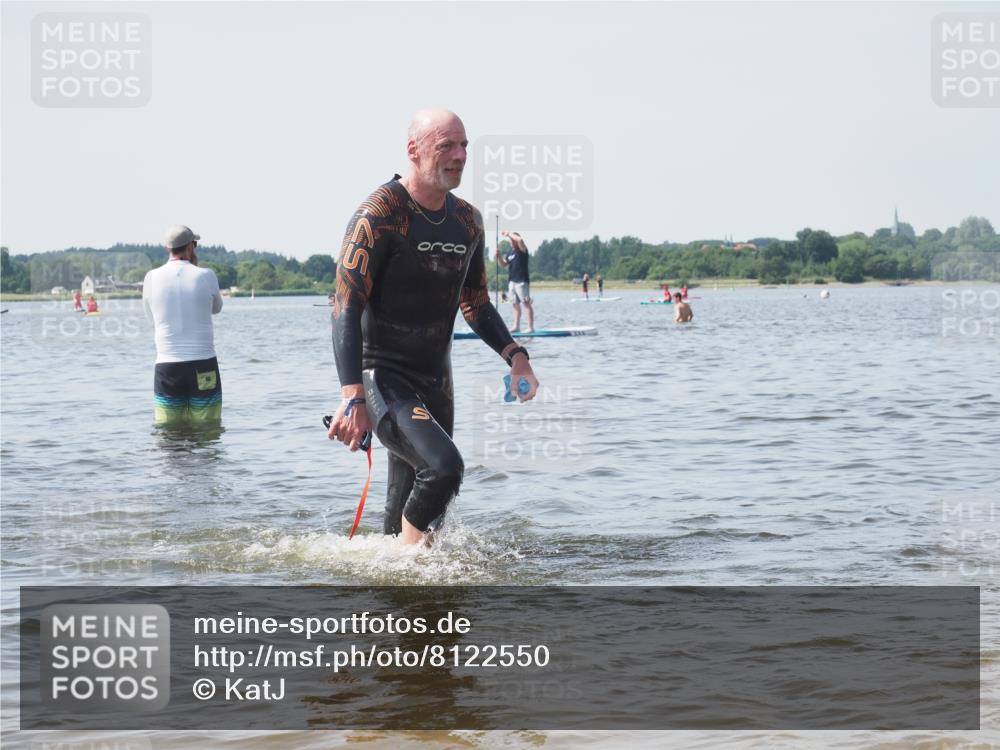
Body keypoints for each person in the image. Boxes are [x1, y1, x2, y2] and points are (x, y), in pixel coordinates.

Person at [328, 108, 539, 546]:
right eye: (447, 145)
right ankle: (410, 574)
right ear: (414, 150)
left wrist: (516, 356)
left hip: (437, 384)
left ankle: (399, 598)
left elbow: (476, 303)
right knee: (444, 468)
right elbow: (345, 307)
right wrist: (352, 396)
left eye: (465, 146)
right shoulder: (380, 214)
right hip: (383, 380)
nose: (460, 155)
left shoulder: (467, 221)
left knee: (415, 507)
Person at [142, 225, 224, 424]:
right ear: (189, 247)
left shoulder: (151, 277)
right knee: (208, 429)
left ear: (168, 248)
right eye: (194, 244)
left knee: (168, 431)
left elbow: (151, 318)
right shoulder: (206, 275)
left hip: (168, 366)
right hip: (203, 364)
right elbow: (216, 308)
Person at [495, 230, 534, 332]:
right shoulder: (510, 253)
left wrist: (508, 234)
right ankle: (516, 326)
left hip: (522, 281)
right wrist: (498, 256)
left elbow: (520, 240)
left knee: (526, 303)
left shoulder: (522, 250)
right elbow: (503, 264)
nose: (510, 241)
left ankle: (530, 327)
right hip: (512, 281)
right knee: (515, 304)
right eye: (510, 240)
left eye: (512, 240)